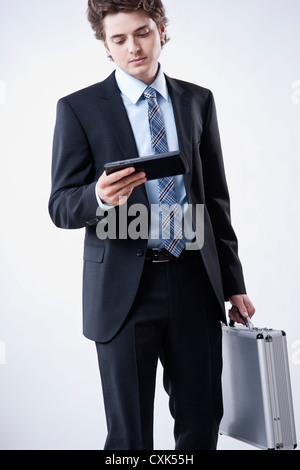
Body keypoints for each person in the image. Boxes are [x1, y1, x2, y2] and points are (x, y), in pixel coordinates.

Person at [49, 0, 255, 450]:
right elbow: (61, 206)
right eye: (118, 39)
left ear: (161, 29)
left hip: (194, 281)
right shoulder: (79, 108)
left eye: (142, 33)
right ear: (105, 45)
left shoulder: (197, 100)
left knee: (201, 425)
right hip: (124, 290)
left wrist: (233, 284)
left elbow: (215, 199)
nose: (133, 47)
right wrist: (99, 196)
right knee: (129, 438)